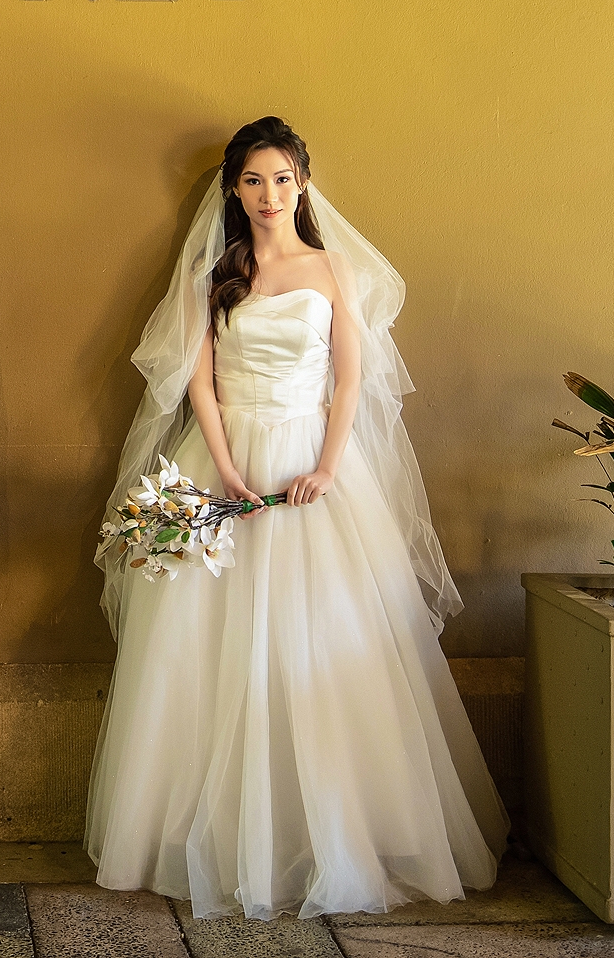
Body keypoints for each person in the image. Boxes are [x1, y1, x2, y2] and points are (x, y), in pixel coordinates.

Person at [84, 116, 508, 920]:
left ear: (303, 185)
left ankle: (334, 835)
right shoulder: (214, 273)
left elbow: (349, 380)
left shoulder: (332, 268)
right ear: (234, 189)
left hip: (315, 466)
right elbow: (198, 381)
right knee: (209, 648)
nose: (269, 194)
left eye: (282, 179)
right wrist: (226, 467)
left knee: (322, 636)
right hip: (228, 460)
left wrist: (327, 465)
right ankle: (219, 837)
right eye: (254, 180)